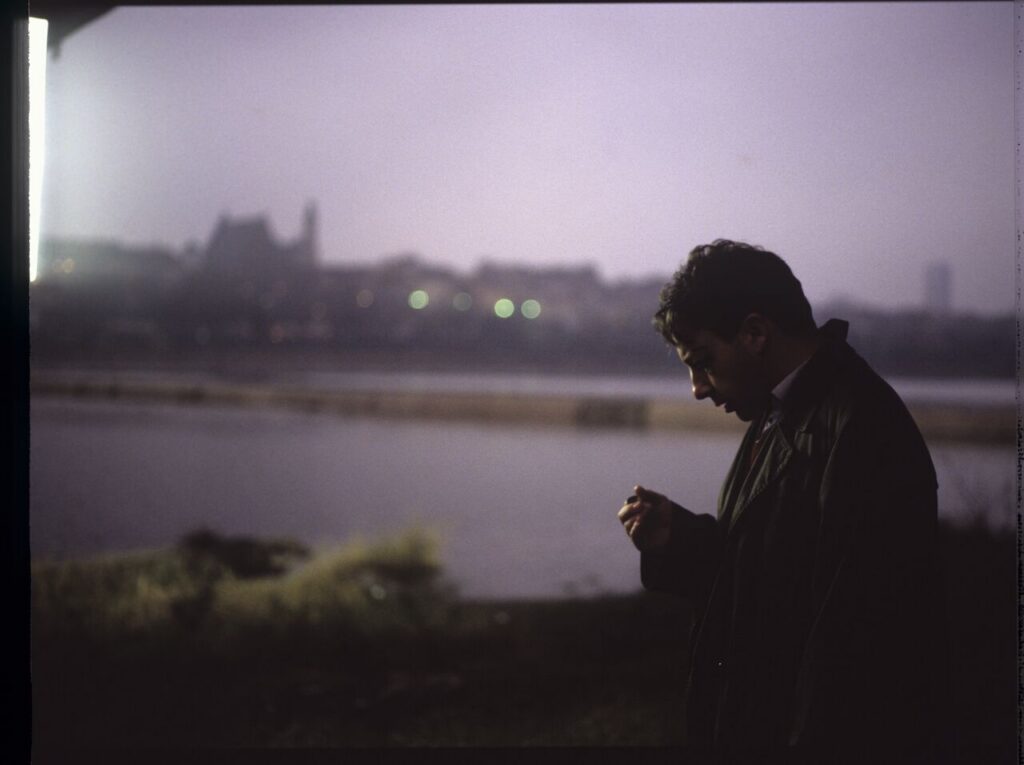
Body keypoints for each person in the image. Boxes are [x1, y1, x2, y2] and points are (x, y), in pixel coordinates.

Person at [617, 240, 949, 763]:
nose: (697, 389)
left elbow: (856, 647)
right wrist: (678, 540)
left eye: (702, 362)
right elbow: (768, 577)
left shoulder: (861, 431)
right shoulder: (781, 409)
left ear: (755, 333)